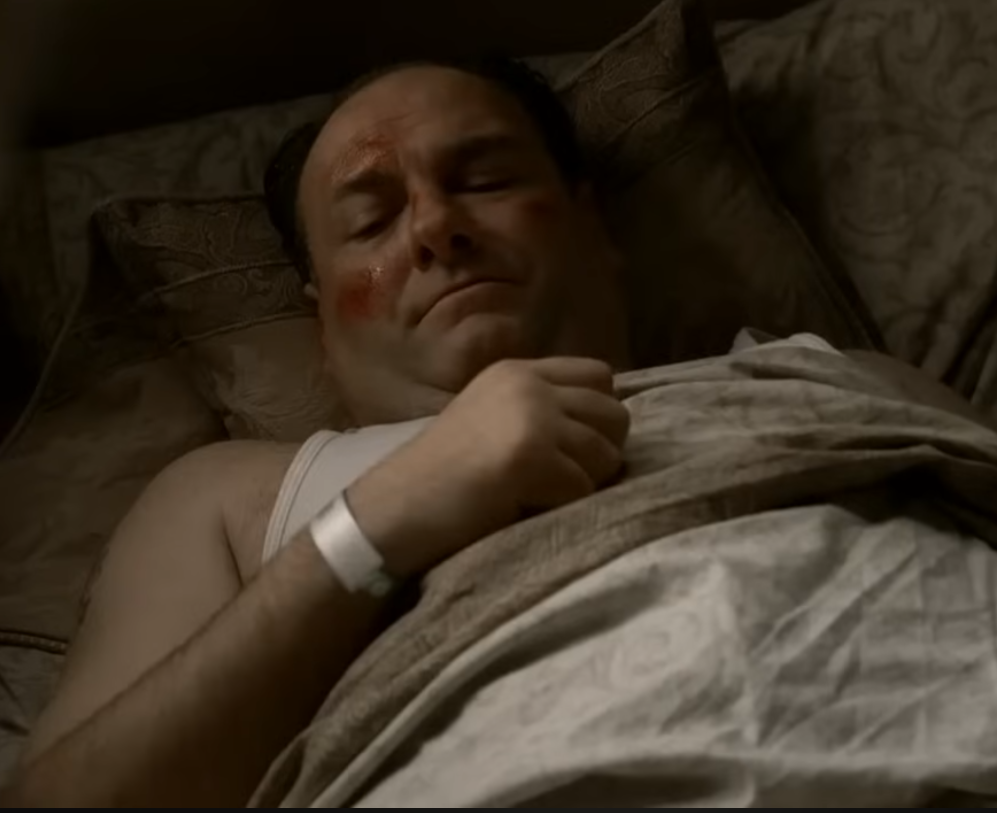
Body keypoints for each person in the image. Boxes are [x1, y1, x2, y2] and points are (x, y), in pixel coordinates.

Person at [4, 57, 990, 808]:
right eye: (370, 222)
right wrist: (373, 527)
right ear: (320, 317)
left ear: (589, 222)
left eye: (481, 178)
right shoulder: (231, 497)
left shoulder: (825, 377)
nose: (435, 226)